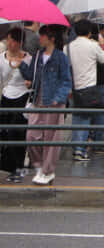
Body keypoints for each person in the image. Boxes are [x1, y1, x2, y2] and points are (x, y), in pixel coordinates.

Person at [20, 25, 72, 185]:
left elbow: (66, 80)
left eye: (42, 36)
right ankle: (39, 167)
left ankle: (48, 171)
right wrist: (21, 63)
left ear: (52, 38)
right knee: (31, 136)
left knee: (51, 137)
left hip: (54, 103)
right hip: (37, 100)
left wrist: (58, 97)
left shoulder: (61, 57)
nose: (39, 38)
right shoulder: (37, 56)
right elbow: (30, 75)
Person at [65, 20, 104, 161]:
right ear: (89, 32)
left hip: (74, 87)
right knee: (85, 119)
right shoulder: (93, 45)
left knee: (77, 119)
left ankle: (76, 147)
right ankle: (80, 150)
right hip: (89, 88)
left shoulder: (68, 47)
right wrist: (102, 44)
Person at [0, 28, 32, 182]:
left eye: (14, 41)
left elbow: (32, 78)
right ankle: (6, 166)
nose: (11, 44)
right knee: (4, 133)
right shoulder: (1, 58)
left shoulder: (28, 59)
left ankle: (18, 168)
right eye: (9, 40)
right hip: (6, 97)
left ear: (20, 43)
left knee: (17, 133)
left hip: (22, 97)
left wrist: (28, 81)